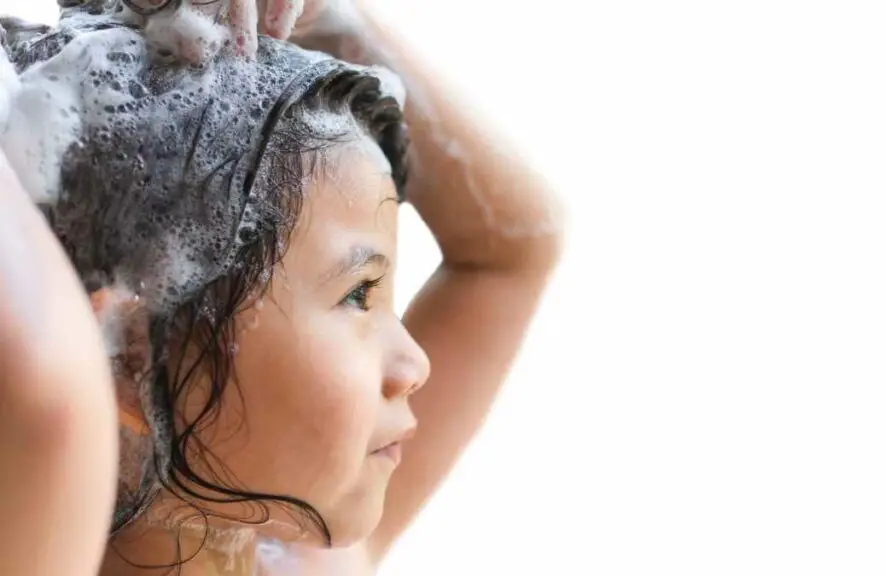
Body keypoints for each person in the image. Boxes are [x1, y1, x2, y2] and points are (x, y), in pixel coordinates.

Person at [0, 0, 564, 574]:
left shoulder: (305, 558)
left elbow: (510, 247)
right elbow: (47, 387)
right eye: (359, 294)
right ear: (130, 363)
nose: (415, 365)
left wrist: (310, 15)